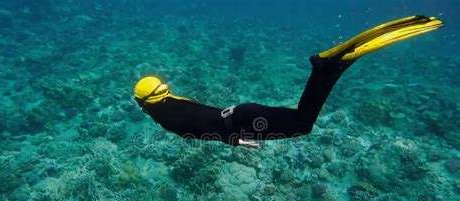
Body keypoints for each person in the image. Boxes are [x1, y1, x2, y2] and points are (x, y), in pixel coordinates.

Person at [134, 16, 443, 148]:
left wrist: (234, 141)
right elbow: (199, 115)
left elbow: (200, 129)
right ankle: (328, 66)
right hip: (240, 112)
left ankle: (327, 67)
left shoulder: (165, 118)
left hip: (240, 123)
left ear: (144, 103)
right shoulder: (169, 104)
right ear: (162, 91)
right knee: (297, 117)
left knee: (302, 125)